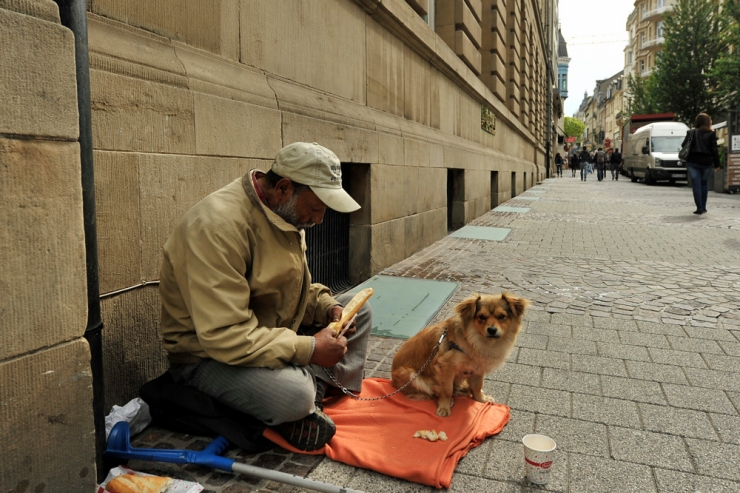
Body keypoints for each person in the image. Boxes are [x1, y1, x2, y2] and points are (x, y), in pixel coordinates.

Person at [159, 142, 372, 451]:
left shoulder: (280, 211)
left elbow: (291, 289)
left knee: (360, 312)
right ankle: (304, 398)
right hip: (208, 358)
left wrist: (328, 307)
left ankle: (307, 397)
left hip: (266, 335)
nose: (320, 220)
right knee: (294, 396)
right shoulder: (218, 227)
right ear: (284, 188)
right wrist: (310, 348)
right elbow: (225, 335)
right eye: (315, 208)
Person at [682, 113, 721, 214]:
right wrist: (717, 164)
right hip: (706, 163)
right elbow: (714, 150)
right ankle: (703, 207)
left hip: (692, 162)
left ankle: (699, 207)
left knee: (696, 184)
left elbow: (684, 145)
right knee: (704, 184)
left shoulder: (691, 132)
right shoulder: (711, 134)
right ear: (708, 121)